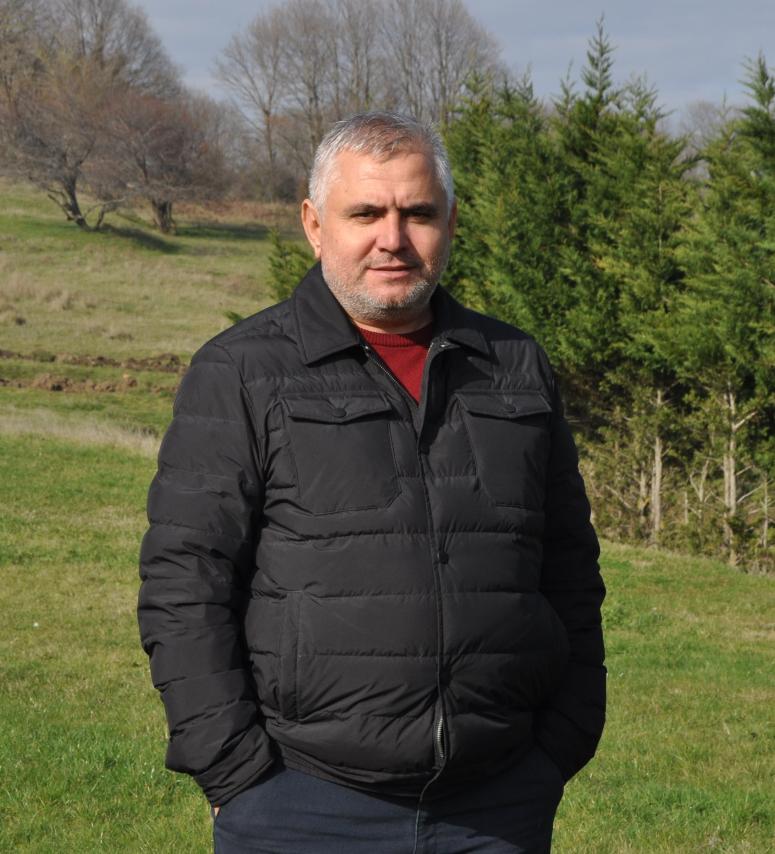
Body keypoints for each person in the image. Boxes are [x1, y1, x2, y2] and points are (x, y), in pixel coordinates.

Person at [138, 111, 606, 853]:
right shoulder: (242, 371)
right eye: (365, 213)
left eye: (417, 213)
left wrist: (562, 740)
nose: (393, 238)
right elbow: (184, 584)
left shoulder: (514, 366)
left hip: (499, 804)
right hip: (302, 803)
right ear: (314, 224)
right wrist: (235, 772)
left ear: (450, 222)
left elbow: (569, 567)